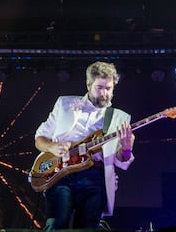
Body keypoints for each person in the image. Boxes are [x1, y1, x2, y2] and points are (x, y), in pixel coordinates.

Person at [34, 61, 135, 230]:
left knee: (88, 228)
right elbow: (39, 138)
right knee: (57, 223)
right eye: (100, 87)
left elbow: (121, 160)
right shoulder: (64, 104)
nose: (105, 94)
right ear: (88, 84)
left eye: (109, 88)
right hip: (61, 173)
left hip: (94, 176)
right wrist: (52, 147)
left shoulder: (120, 117)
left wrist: (126, 149)